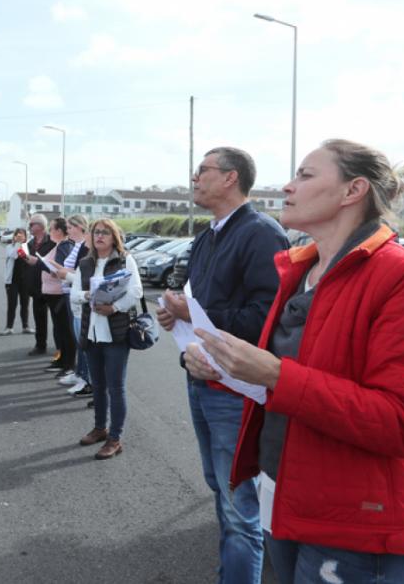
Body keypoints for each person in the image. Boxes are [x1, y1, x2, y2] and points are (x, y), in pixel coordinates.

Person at [191, 140, 404, 583]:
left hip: (357, 528)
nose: (287, 186)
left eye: (305, 175)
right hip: (285, 499)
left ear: (352, 191)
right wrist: (226, 367)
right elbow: (290, 384)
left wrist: (273, 373)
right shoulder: (302, 270)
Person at [156, 146, 289, 584]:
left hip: (237, 392)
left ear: (230, 178)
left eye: (203, 170)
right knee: (221, 489)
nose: (195, 178)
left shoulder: (261, 233)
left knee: (238, 511)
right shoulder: (207, 235)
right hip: (202, 380)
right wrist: (177, 317)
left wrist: (194, 316)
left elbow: (268, 318)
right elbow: (200, 306)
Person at [69, 219, 142, 460]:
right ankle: (100, 428)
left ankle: (115, 438)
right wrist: (87, 295)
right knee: (98, 386)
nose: (99, 236)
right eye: (96, 232)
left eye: (105, 232)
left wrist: (115, 307)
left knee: (116, 387)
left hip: (116, 333)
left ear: (114, 237)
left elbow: (136, 292)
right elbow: (74, 294)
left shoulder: (124, 260)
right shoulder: (85, 263)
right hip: (91, 333)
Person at [36, 217, 75, 381]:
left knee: (65, 331)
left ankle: (68, 364)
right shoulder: (59, 245)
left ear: (59, 231)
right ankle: (62, 361)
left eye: (51, 228)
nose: (49, 232)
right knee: (60, 330)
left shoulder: (65, 245)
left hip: (60, 293)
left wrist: (49, 266)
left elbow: (63, 269)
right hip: (53, 294)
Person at [56, 215, 92, 395]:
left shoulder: (85, 245)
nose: (67, 230)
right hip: (72, 295)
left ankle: (86, 378)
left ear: (80, 227)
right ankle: (80, 373)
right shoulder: (78, 245)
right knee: (78, 340)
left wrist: (65, 274)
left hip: (78, 297)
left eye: (70, 227)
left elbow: (81, 275)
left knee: (82, 341)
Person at [22, 214, 56, 356]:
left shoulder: (53, 242)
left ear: (41, 226)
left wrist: (37, 262)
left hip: (53, 286)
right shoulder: (29, 244)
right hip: (36, 287)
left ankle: (61, 349)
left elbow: (55, 264)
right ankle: (40, 345)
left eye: (31, 224)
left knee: (58, 320)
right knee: (39, 318)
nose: (29, 227)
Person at [1, 228, 30, 335]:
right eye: (17, 235)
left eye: (21, 235)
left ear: (25, 237)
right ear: (14, 237)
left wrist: (22, 245)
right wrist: (18, 244)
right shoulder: (10, 247)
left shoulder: (28, 247)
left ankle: (25, 326)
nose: (19, 237)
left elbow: (29, 259)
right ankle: (9, 327)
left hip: (25, 281)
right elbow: (14, 255)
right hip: (12, 281)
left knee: (25, 304)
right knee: (12, 304)